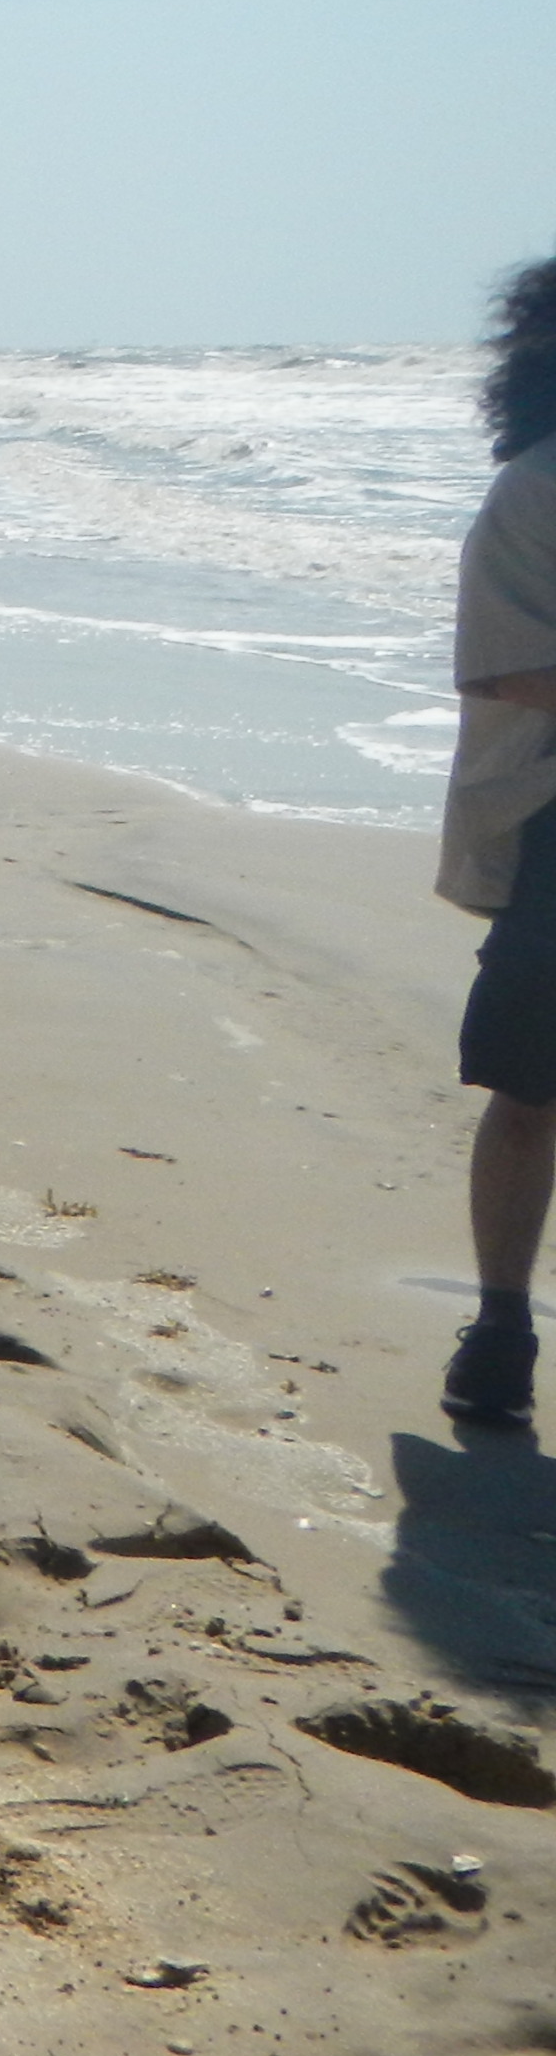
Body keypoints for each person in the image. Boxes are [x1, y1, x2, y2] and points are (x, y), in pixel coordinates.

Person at [440, 252, 556, 1424]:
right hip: (553, 825)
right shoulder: (534, 490)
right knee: (529, 1090)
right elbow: (505, 668)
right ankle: (501, 1324)